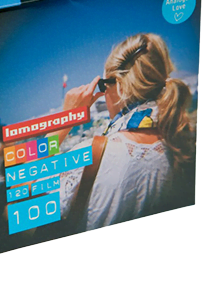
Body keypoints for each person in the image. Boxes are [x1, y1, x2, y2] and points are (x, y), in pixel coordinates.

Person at [49, 33, 195, 232]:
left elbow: (18, 203)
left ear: (119, 84)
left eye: (103, 85)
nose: (102, 95)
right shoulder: (180, 143)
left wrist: (64, 121)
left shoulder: (92, 154)